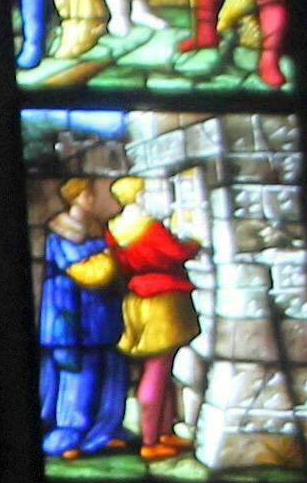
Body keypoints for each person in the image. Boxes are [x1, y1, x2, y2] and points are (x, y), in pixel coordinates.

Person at [103, 176, 204, 459]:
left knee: (162, 366)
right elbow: (177, 252)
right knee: (158, 368)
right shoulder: (149, 227)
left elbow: (121, 265)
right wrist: (196, 241)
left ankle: (164, 431)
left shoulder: (113, 229)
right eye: (144, 192)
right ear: (138, 195)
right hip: (163, 301)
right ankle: (150, 440)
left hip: (136, 300)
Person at [37, 172, 131, 459]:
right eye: (87, 194)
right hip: (71, 315)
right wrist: (110, 259)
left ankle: (104, 429)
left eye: (91, 194)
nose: (92, 199)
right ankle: (68, 433)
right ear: (74, 197)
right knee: (78, 374)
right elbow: (85, 272)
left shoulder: (95, 228)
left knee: (109, 372)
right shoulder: (61, 232)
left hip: (101, 315)